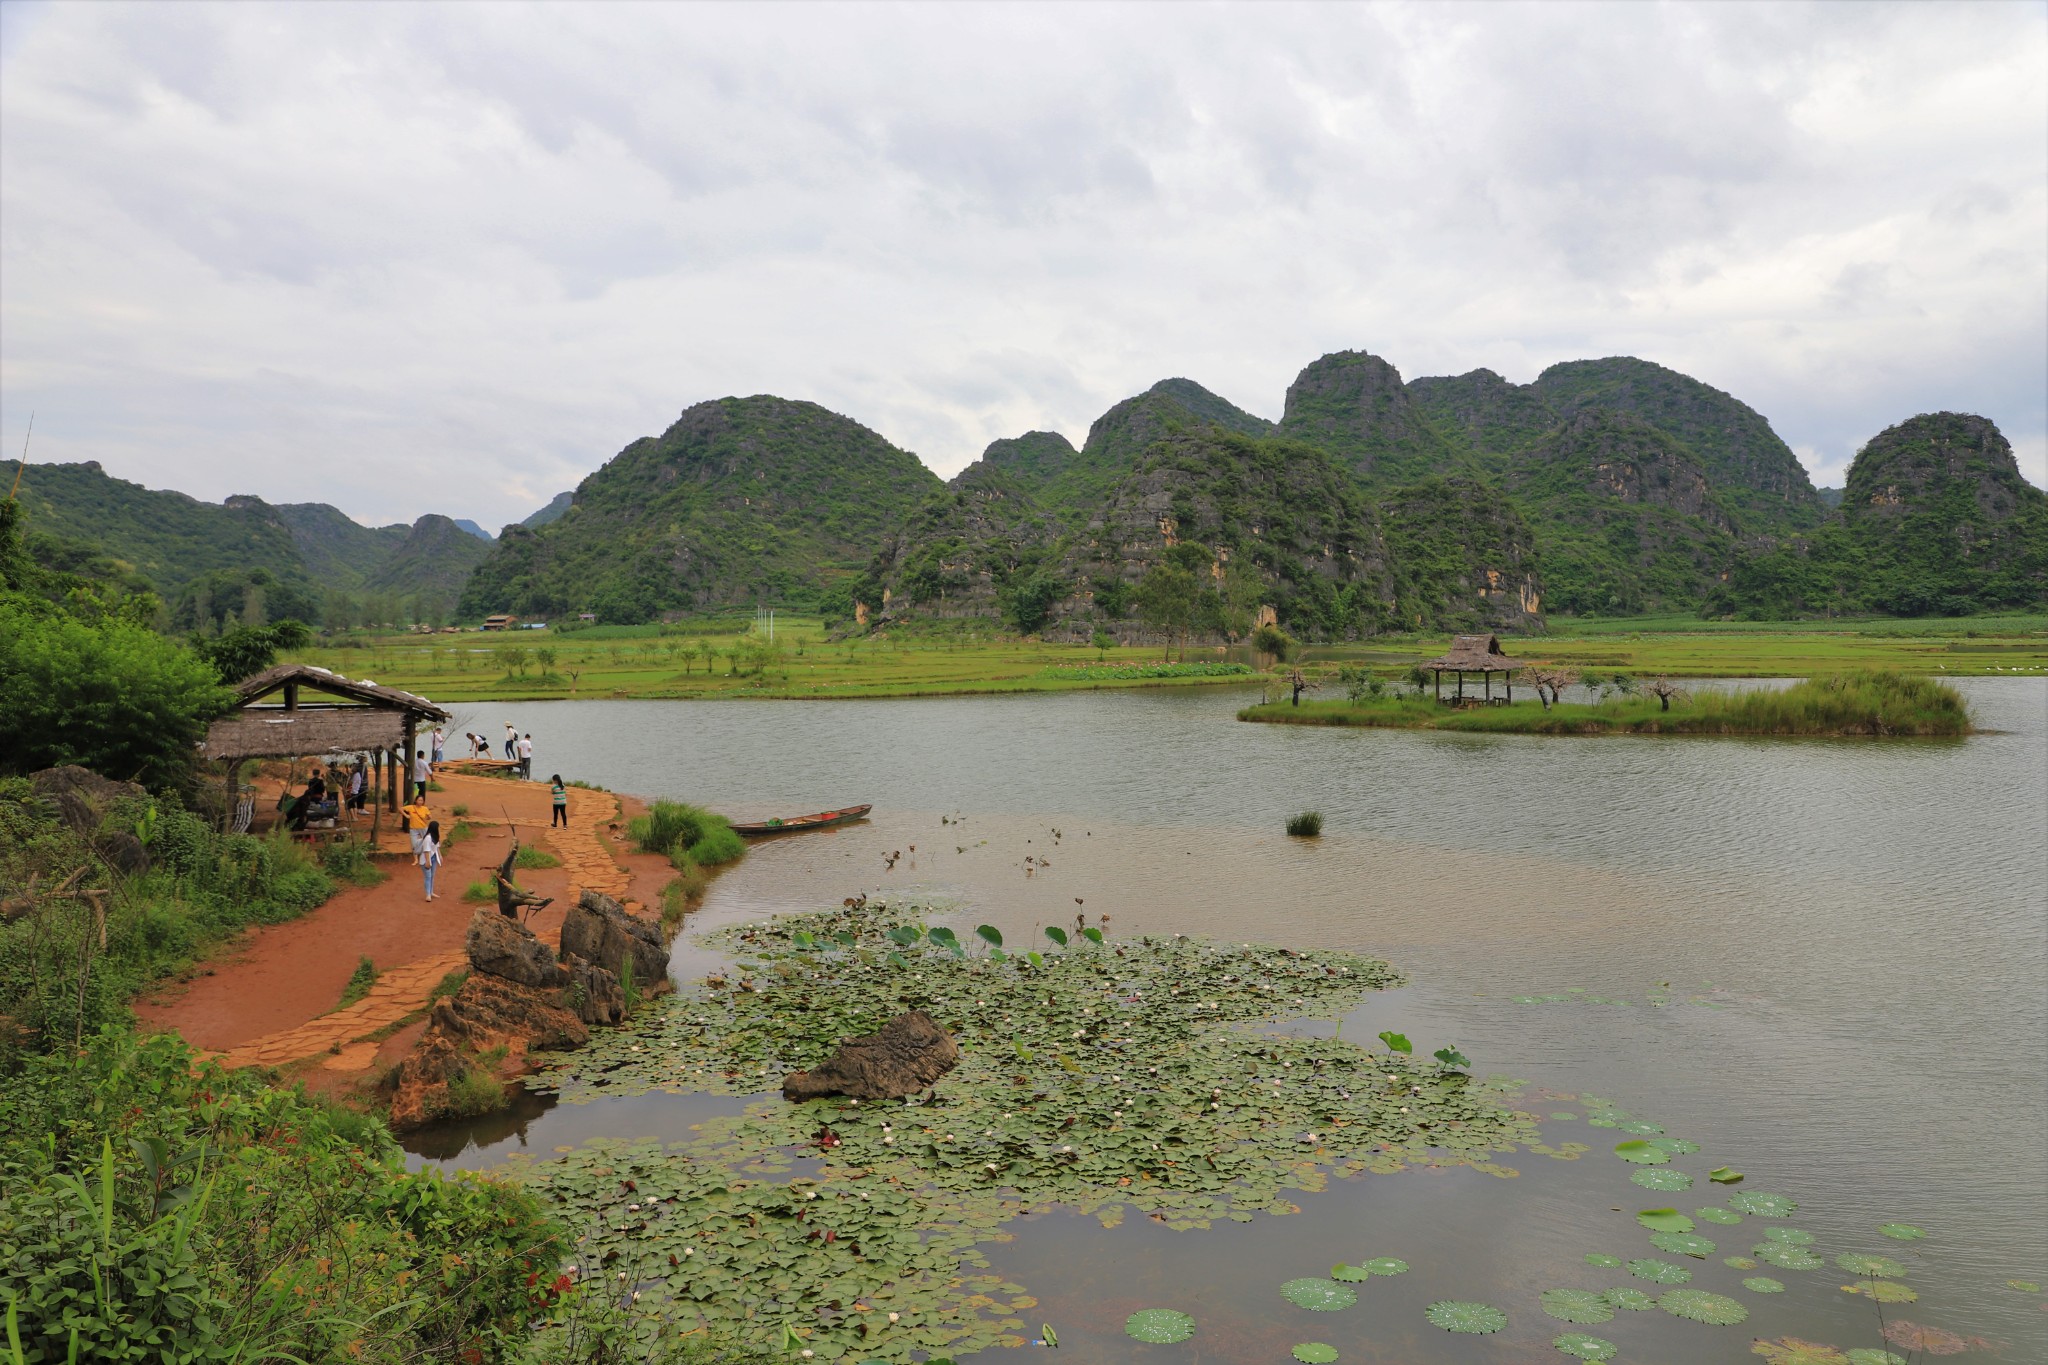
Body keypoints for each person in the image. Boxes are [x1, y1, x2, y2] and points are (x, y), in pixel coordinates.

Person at [401, 793, 431, 857]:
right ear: (415, 801)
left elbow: (429, 817)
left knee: (427, 841)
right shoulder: (411, 807)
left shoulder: (425, 808)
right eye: (419, 800)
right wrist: (406, 815)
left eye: (422, 800)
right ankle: (416, 858)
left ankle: (427, 855)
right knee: (414, 844)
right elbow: (400, 809)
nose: (420, 802)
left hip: (423, 827)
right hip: (413, 828)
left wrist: (428, 817)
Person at [419, 819, 442, 901]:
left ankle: (431, 892)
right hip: (427, 859)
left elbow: (437, 847)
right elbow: (426, 851)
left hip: (434, 858)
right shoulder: (428, 838)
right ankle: (428, 895)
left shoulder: (435, 837)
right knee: (428, 877)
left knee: (432, 876)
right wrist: (428, 862)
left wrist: (440, 855)